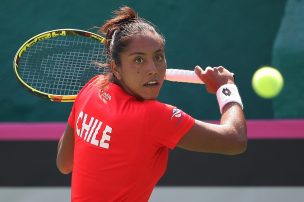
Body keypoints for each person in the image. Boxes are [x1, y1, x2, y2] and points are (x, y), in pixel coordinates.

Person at [56, 6, 247, 202]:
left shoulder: (92, 88)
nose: (153, 70)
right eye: (139, 60)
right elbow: (235, 140)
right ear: (116, 68)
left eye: (158, 57)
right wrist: (226, 87)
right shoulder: (153, 116)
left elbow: (64, 163)